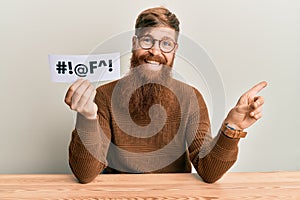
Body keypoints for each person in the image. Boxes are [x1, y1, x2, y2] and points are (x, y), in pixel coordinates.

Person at [64, 7, 267, 184]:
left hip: (174, 193)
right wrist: (87, 117)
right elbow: (85, 174)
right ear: (134, 43)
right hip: (119, 193)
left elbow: (209, 171)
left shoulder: (191, 98)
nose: (155, 51)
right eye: (147, 40)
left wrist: (233, 128)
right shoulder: (103, 96)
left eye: (166, 43)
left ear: (174, 50)